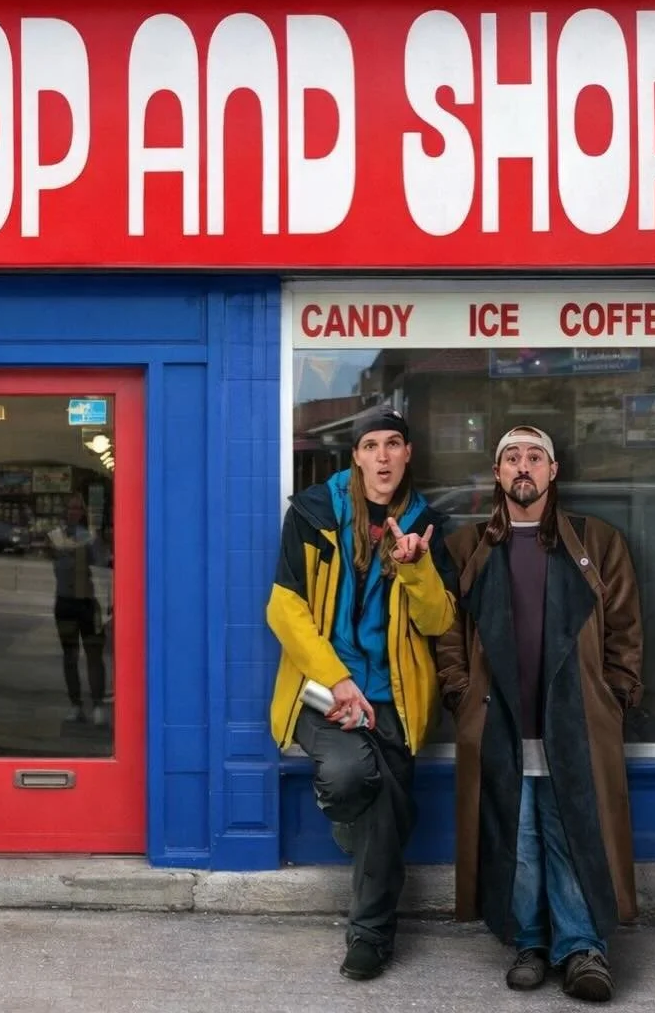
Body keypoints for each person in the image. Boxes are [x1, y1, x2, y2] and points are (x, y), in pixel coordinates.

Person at [436, 425, 642, 1003]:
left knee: (574, 833)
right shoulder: (466, 549)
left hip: (574, 726)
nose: (523, 467)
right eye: (511, 458)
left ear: (554, 471)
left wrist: (615, 696)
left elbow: (625, 630)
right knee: (517, 839)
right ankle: (528, 941)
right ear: (497, 473)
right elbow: (448, 635)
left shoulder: (596, 542)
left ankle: (580, 950)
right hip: (500, 722)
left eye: (534, 457)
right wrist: (459, 695)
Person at [266, 407, 457, 981]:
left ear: (407, 455)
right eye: (370, 445)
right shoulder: (313, 514)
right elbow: (284, 608)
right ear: (355, 455)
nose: (381, 456)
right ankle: (354, 829)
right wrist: (338, 679)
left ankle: (370, 937)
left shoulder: (423, 524)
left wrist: (416, 570)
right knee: (358, 780)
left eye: (392, 444)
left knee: (386, 810)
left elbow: (439, 620)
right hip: (323, 691)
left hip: (393, 700)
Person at [48, 493, 108, 725]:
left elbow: (102, 566)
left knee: (94, 654)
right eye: (70, 508)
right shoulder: (55, 537)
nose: (73, 512)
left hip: (87, 602)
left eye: (77, 509)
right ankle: (76, 704)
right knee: (70, 656)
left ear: (82, 513)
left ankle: (98, 704)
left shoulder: (90, 538)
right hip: (65, 601)